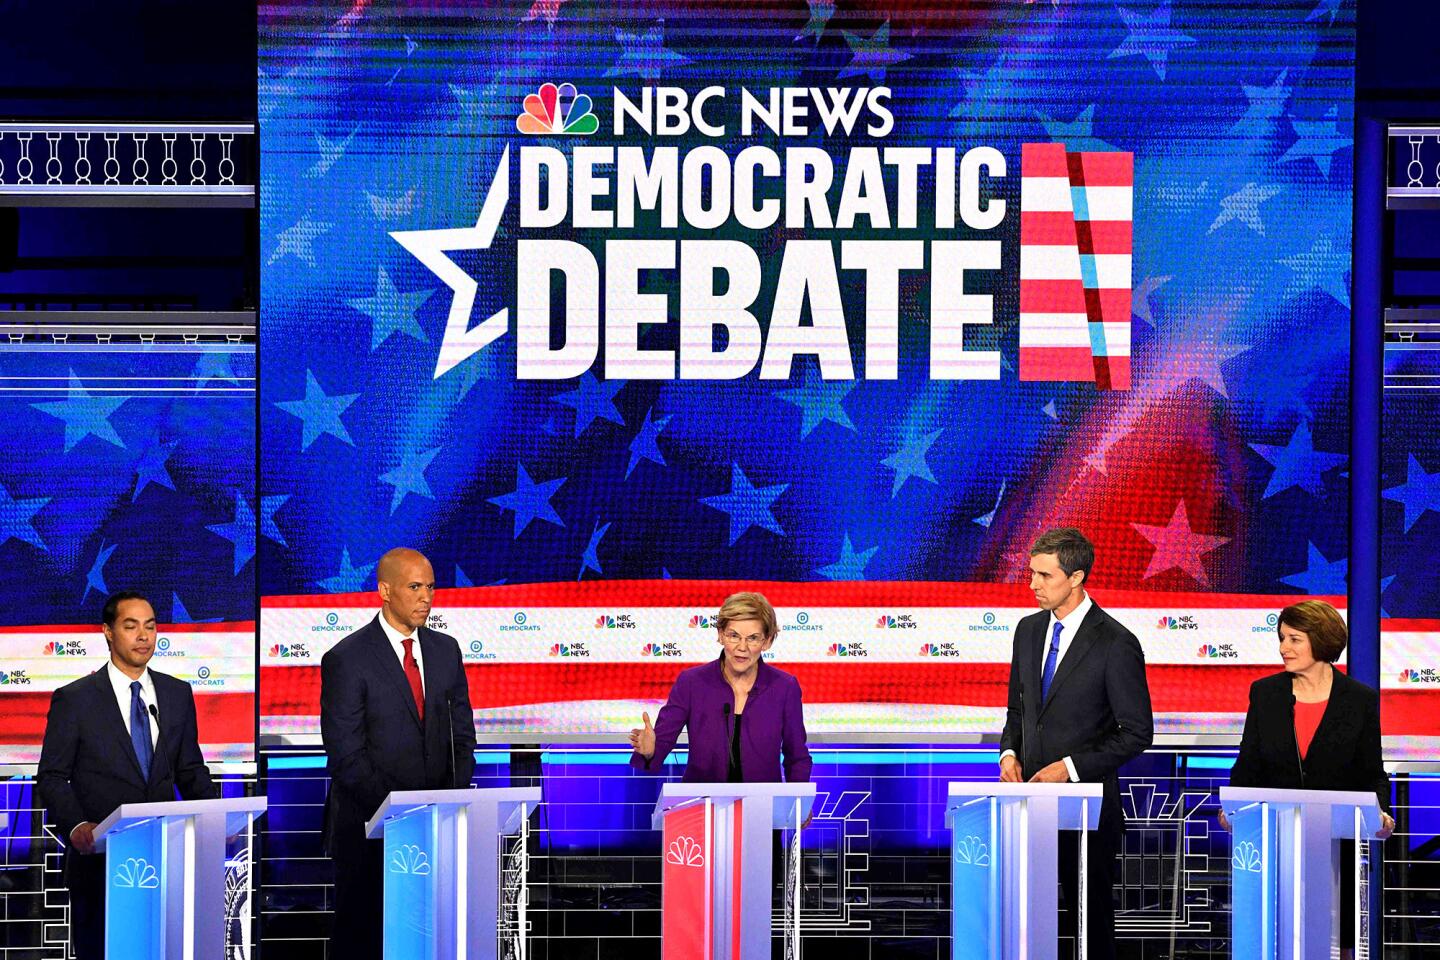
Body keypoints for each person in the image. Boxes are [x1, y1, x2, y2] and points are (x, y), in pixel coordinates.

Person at [998, 527, 1153, 960]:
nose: (1032, 585)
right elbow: (1018, 709)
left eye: (1044, 576)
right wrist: (1009, 752)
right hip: (1028, 804)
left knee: (1089, 923)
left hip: (1087, 812)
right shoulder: (1027, 631)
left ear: (1076, 577)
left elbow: (1138, 732)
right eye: (1031, 573)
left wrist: (1070, 767)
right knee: (1028, 920)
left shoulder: (1115, 642)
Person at [36, 590, 217, 960]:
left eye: (150, 627)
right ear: (107, 632)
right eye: (131, 626)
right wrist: (76, 827)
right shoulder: (76, 699)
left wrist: (216, 818)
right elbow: (53, 776)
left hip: (165, 860)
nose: (143, 636)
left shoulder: (176, 694)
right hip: (100, 865)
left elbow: (189, 769)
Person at [320, 547, 477, 960]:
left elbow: (462, 738)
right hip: (369, 831)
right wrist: (403, 813)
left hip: (436, 831)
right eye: (414, 587)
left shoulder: (446, 651)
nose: (426, 597)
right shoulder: (346, 659)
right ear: (384, 591)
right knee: (365, 941)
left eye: (430, 587)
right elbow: (346, 756)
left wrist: (445, 804)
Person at [1221, 600, 1393, 951]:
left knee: (1334, 940)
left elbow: (1371, 772)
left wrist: (1383, 813)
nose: (1284, 648)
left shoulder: (1359, 700)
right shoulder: (1266, 693)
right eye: (1282, 638)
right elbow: (1248, 762)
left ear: (1322, 639)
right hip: (1273, 838)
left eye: (1294, 639)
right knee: (1274, 936)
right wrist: (1234, 808)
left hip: (1335, 843)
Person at [629, 591, 811, 783]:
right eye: (734, 636)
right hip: (701, 804)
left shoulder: (784, 687)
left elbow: (796, 756)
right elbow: (661, 742)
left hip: (762, 805)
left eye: (752, 638)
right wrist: (649, 751)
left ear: (766, 642)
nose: (742, 647)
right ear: (720, 635)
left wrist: (799, 801)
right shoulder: (692, 683)